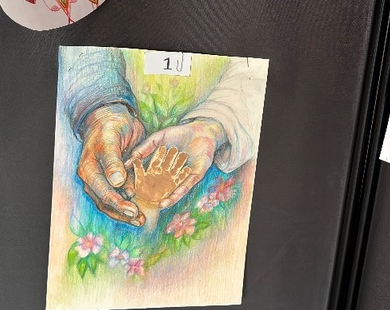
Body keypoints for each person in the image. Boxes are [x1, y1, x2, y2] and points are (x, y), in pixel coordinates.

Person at [63, 48, 257, 227]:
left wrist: (214, 126)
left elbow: (255, 71)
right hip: (106, 140)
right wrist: (101, 108)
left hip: (222, 152)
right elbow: (83, 47)